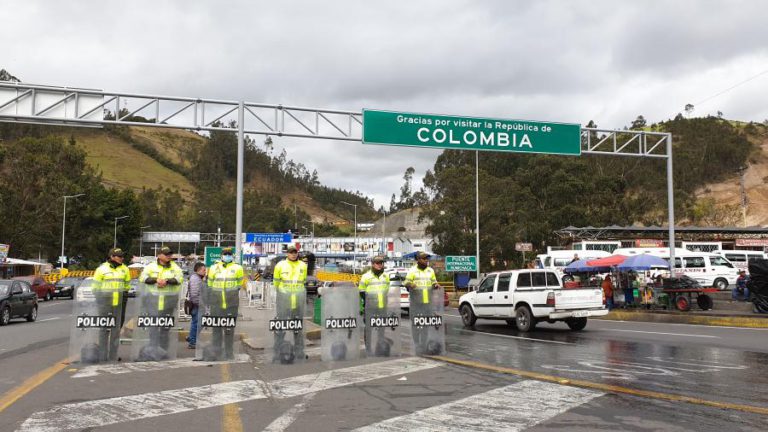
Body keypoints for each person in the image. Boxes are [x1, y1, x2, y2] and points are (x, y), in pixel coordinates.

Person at [138, 247, 183, 360]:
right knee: (153, 328)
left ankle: (163, 351)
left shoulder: (175, 267)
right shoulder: (150, 267)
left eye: (170, 254)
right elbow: (143, 278)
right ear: (159, 255)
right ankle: (153, 351)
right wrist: (156, 280)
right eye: (166, 254)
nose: (169, 256)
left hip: (169, 301)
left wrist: (166, 281)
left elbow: (179, 279)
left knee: (165, 328)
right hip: (153, 300)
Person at [204, 247, 246, 360]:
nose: (227, 256)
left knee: (229, 330)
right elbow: (210, 284)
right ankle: (216, 352)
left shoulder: (238, 268)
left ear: (232, 255)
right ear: (221, 256)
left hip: (231, 303)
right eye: (225, 254)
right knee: (216, 329)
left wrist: (230, 294)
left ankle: (229, 352)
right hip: (216, 303)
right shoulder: (213, 268)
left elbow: (239, 284)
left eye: (229, 254)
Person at [91, 247, 131, 361]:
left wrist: (124, 297)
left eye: (123, 256)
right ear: (112, 257)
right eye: (119, 256)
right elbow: (96, 288)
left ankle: (113, 355)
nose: (122, 258)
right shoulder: (101, 269)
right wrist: (101, 300)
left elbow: (127, 285)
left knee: (116, 330)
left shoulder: (125, 269)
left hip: (119, 303)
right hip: (105, 302)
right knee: (104, 329)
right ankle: (102, 355)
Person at [272, 245, 307, 363]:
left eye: (295, 252)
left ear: (297, 253)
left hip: (298, 301)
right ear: (287, 254)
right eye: (291, 252)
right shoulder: (280, 265)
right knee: (280, 327)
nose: (293, 254)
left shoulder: (303, 265)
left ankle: (299, 352)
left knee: (297, 328)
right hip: (284, 300)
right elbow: (276, 283)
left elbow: (303, 282)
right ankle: (277, 352)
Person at [405, 251, 442, 355]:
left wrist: (436, 285)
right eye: (424, 258)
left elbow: (434, 282)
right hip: (416, 303)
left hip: (427, 303)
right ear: (419, 260)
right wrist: (410, 285)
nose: (426, 260)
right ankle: (417, 344)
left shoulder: (430, 271)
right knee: (416, 325)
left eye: (427, 259)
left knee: (425, 325)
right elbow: (406, 282)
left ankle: (424, 345)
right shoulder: (412, 271)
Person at [359, 256, 391, 355]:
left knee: (381, 328)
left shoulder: (386, 276)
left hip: (382, 306)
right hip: (370, 307)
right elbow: (361, 291)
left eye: (381, 263)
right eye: (377, 263)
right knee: (369, 328)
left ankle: (380, 347)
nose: (380, 265)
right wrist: (368, 302)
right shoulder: (366, 276)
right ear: (372, 264)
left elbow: (387, 289)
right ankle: (368, 348)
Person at [186, 262, 206, 349]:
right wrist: (201, 304)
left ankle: (191, 338)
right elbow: (194, 294)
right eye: (203, 270)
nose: (205, 272)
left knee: (197, 323)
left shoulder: (198, 278)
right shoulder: (195, 279)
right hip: (196, 305)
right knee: (198, 324)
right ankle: (192, 342)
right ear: (198, 270)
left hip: (196, 305)